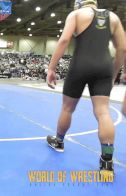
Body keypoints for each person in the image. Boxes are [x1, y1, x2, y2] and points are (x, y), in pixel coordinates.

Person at [46, 0, 126, 176]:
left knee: (67, 108)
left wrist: (51, 68)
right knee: (103, 111)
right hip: (104, 67)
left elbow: (64, 39)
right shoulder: (112, 17)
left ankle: (58, 141)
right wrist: (114, 74)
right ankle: (106, 162)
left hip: (80, 66)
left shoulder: (75, 15)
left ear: (79, 4)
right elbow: (123, 48)